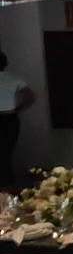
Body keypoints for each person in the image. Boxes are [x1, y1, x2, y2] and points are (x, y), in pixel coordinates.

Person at [0, 51, 32, 184]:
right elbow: (30, 96)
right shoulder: (14, 78)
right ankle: (8, 183)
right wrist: (18, 109)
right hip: (9, 118)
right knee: (6, 152)